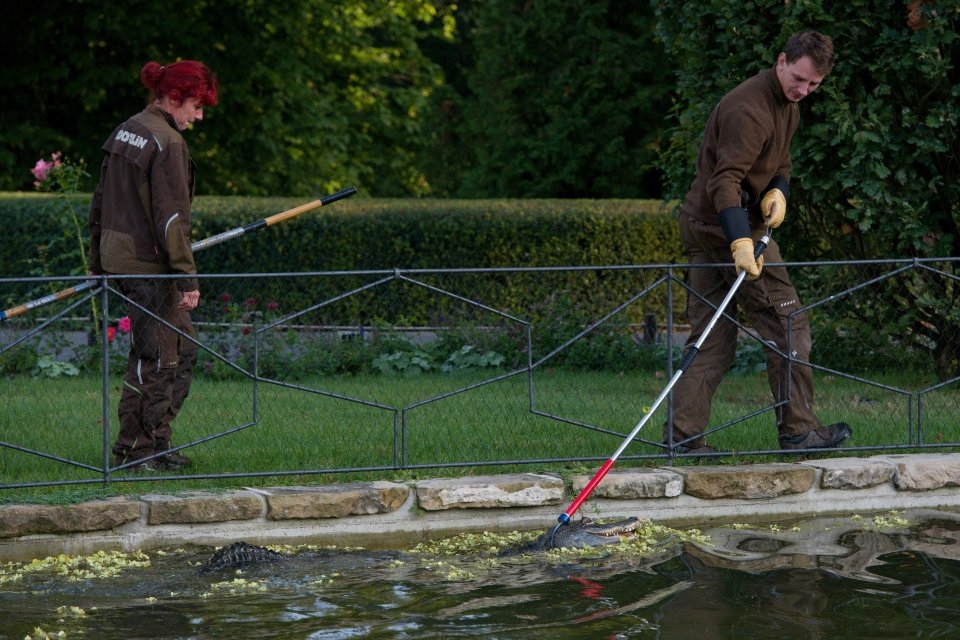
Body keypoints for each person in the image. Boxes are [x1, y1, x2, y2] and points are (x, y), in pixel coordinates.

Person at [664, 31, 851, 455]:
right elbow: (724, 180)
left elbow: (780, 160)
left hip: (704, 223)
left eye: (813, 85)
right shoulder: (749, 108)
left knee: (711, 338)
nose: (803, 90)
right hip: (725, 226)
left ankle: (683, 439)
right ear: (782, 60)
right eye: (799, 78)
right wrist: (739, 243)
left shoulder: (787, 106)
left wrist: (779, 189)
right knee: (789, 325)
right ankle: (799, 432)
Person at [88, 60, 219, 471]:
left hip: (120, 259)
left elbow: (99, 202)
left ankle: (155, 443)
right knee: (159, 358)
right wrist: (187, 278)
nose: (197, 117)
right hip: (149, 267)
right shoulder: (167, 142)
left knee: (180, 349)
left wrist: (96, 262)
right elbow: (171, 218)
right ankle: (136, 452)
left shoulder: (128, 129)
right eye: (196, 107)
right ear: (174, 97)